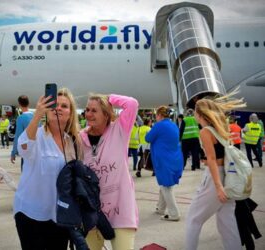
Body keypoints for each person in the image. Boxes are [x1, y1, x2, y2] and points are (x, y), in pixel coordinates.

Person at [14, 88, 80, 250]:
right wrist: (36, 115)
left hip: (61, 216)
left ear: (71, 113)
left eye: (64, 106)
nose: (58, 108)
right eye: (54, 105)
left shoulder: (72, 142)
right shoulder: (36, 135)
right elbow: (23, 148)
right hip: (31, 214)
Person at [185, 95, 245, 250]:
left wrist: (218, 187)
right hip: (229, 175)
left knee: (193, 218)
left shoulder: (205, 131)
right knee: (227, 223)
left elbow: (212, 159)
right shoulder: (221, 128)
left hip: (215, 177)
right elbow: (218, 155)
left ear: (199, 114)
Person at [80, 93, 139, 250]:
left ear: (106, 114)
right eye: (87, 109)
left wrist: (108, 97)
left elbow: (132, 104)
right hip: (91, 211)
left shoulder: (120, 130)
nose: (88, 114)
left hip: (121, 209)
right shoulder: (80, 138)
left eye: (94, 110)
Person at [145, 106, 183, 221]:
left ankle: (174, 214)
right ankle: (160, 208)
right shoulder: (174, 125)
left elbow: (148, 138)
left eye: (156, 115)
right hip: (175, 158)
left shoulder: (159, 125)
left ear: (160, 115)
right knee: (165, 185)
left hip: (163, 159)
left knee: (166, 187)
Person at [11, 95, 33, 171]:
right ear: (28, 103)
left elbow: (18, 136)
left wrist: (13, 152)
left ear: (19, 105)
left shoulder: (21, 118)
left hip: (26, 152)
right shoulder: (36, 117)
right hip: (36, 152)